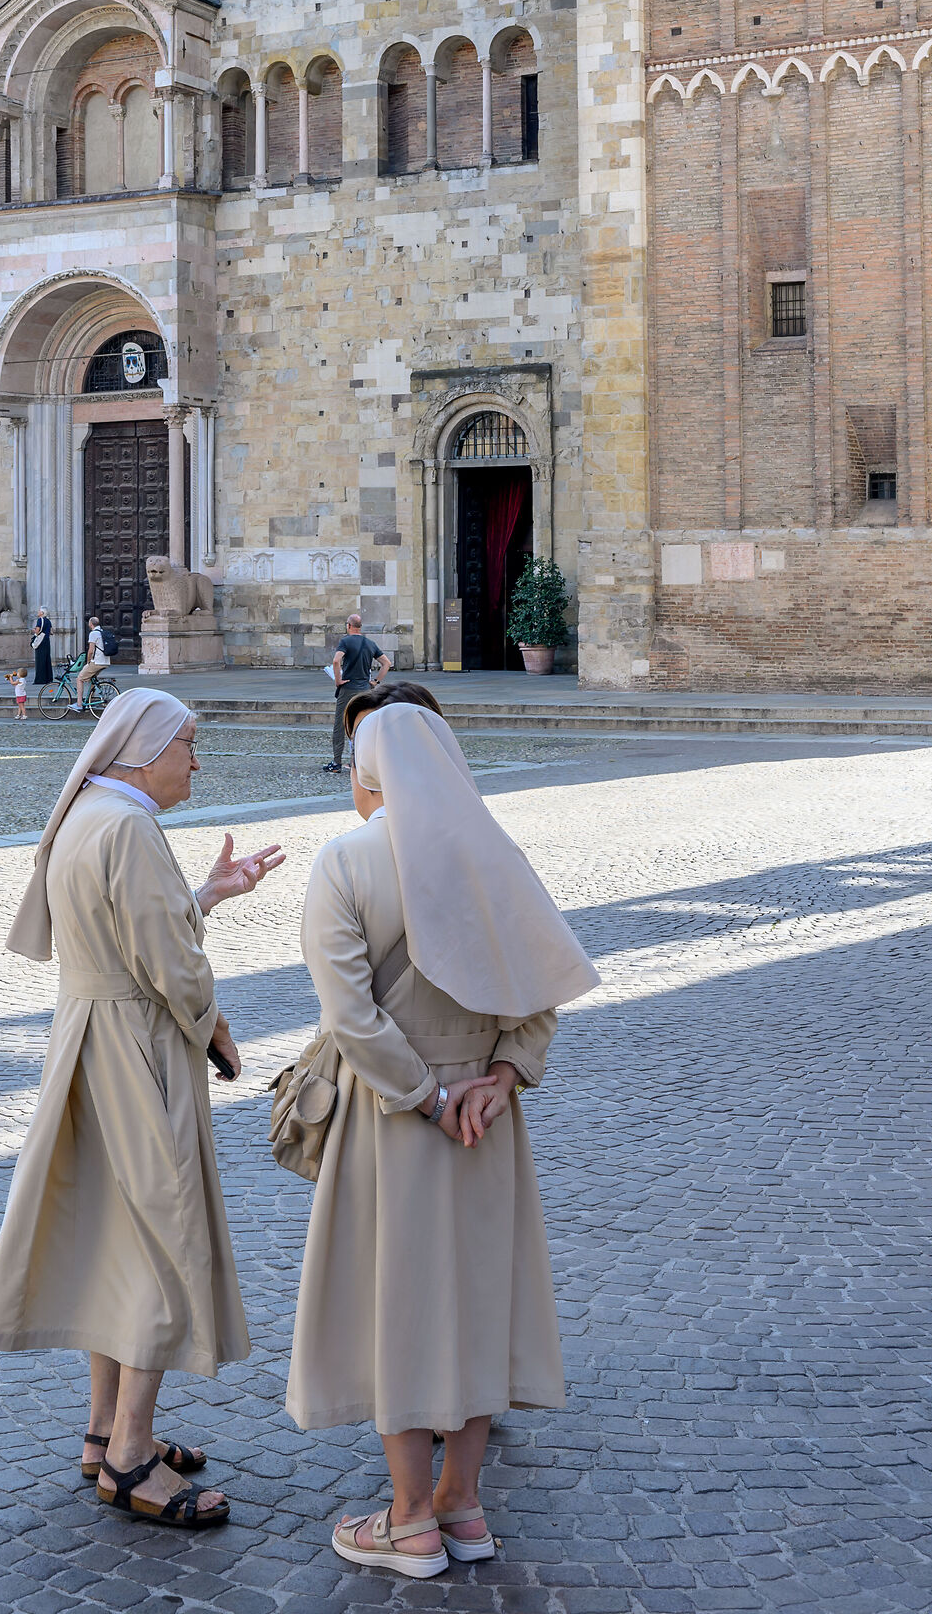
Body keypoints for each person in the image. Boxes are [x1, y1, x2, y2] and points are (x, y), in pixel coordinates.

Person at [287, 699, 598, 1579]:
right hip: (486, 1123)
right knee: (476, 1305)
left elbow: (350, 1014)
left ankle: (410, 1519)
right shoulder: (494, 857)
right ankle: (465, 1504)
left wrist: (427, 1096)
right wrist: (500, 1079)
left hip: (394, 1117)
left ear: (370, 773)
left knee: (398, 1306)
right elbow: (540, 991)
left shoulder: (346, 861)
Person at [0, 689, 286, 1529]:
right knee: (161, 1238)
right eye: (189, 743)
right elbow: (171, 968)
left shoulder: (89, 814)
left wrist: (210, 894)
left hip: (88, 1040)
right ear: (147, 748)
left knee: (117, 1232)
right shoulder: (134, 829)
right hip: (136, 1052)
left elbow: (134, 932)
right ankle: (132, 1459)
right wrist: (215, 1025)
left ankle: (102, 1428)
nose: (196, 760)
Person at [322, 614, 391, 772]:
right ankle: (359, 761)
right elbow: (386, 663)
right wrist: (376, 682)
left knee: (340, 725)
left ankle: (337, 762)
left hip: (348, 689)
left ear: (349, 626)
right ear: (360, 626)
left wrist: (338, 680)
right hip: (365, 690)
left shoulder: (346, 641)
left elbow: (336, 660)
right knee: (363, 725)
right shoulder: (370, 643)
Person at [74, 611, 111, 712]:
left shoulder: (93, 634)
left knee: (79, 679)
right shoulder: (102, 632)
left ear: (91, 624)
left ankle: (79, 704)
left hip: (97, 661)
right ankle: (90, 699)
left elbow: (90, 650)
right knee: (92, 678)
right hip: (105, 661)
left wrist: (88, 662)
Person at [31, 607, 54, 689]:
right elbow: (51, 632)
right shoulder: (48, 621)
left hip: (40, 642)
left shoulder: (40, 620)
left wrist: (34, 631)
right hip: (47, 641)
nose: (38, 612)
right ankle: (48, 678)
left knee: (40, 660)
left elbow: (37, 631)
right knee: (47, 659)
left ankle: (40, 679)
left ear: (42, 613)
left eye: (39, 611)